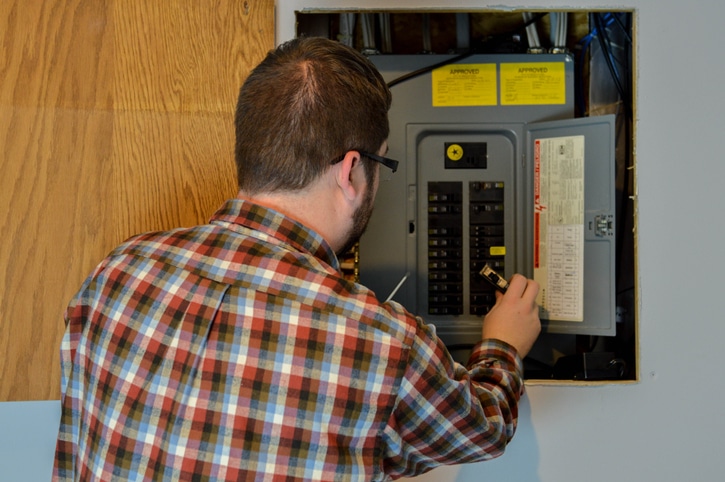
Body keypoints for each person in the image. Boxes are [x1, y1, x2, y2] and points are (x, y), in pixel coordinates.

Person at [53, 36, 541, 481]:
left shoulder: (118, 273)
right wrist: (504, 344)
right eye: (383, 163)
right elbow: (483, 428)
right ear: (352, 170)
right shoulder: (380, 342)